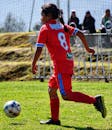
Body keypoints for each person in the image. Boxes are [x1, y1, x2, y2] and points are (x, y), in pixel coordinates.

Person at [32, 3, 107, 125]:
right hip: (65, 63)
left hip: (61, 65)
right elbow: (80, 33)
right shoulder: (63, 26)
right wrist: (87, 49)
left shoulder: (45, 28)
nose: (40, 17)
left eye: (42, 14)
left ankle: (95, 100)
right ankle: (55, 120)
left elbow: (39, 49)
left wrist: (33, 64)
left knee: (66, 95)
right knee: (51, 90)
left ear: (48, 15)